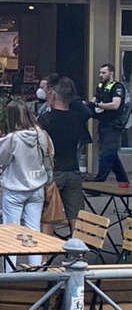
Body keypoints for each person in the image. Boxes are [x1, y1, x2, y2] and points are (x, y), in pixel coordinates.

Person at [0, 101, 53, 272]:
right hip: (37, 188)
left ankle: (10, 273)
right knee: (33, 231)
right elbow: (50, 154)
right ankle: (35, 270)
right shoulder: (42, 135)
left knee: (10, 232)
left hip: (15, 189)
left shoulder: (11, 139)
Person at [39, 77, 92, 234]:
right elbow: (86, 111)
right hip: (73, 170)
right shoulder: (77, 118)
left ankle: (46, 249)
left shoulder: (46, 119)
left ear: (53, 96)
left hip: (53, 172)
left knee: (49, 215)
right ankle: (77, 247)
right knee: (76, 214)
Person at [91, 63, 129, 186]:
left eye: (103, 72)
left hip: (114, 125)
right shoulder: (101, 86)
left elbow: (115, 105)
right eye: (100, 72)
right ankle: (123, 181)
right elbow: (94, 99)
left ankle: (99, 181)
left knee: (106, 153)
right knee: (111, 155)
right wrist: (90, 105)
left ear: (111, 73)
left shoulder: (117, 87)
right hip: (103, 123)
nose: (100, 75)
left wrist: (99, 105)